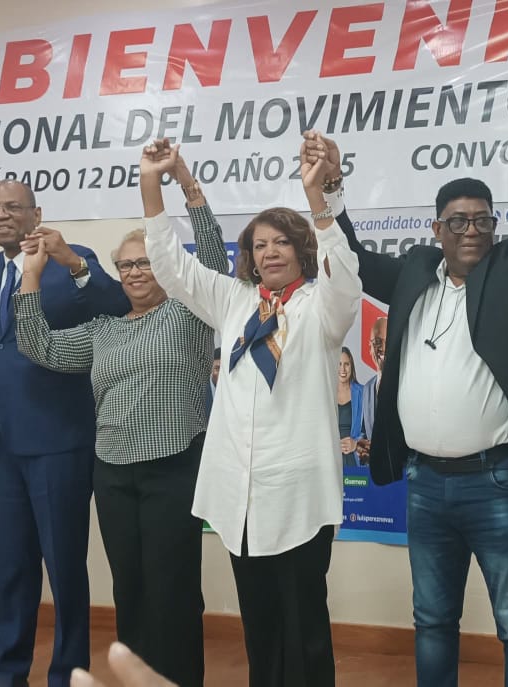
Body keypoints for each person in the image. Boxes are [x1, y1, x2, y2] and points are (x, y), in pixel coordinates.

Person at [326, 68, 508, 687]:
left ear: (495, 227)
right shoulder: (415, 271)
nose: (472, 231)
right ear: (436, 229)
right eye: (458, 222)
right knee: (432, 621)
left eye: (483, 221)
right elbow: (351, 260)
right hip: (425, 484)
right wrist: (332, 190)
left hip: (498, 481)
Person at [142, 135, 361, 686]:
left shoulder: (321, 306)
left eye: (282, 241)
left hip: (299, 494)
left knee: (304, 626)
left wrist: (317, 200)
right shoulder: (234, 300)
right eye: (260, 245)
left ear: (302, 249)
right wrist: (154, 183)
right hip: (240, 496)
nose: (270, 252)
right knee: (260, 625)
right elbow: (170, 266)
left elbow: (345, 274)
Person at [15, 148, 225, 686]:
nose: (134, 272)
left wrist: (184, 182)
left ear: (165, 265)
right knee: (130, 589)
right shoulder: (103, 328)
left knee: (173, 590)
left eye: (146, 262)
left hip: (173, 468)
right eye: (126, 265)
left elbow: (213, 259)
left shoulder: (190, 312)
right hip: (111, 473)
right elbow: (40, 346)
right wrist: (32, 274)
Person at [0, 179, 129, 687]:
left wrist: (72, 262)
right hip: (3, 443)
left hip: (60, 441)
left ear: (36, 215)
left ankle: (68, 674)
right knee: (11, 571)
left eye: (13, 207)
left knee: (64, 569)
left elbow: (116, 303)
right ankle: (9, 674)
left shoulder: (70, 259)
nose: (1, 216)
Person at [357, 316, 387, 460]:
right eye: (377, 342)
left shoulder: (406, 386)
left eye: (388, 341)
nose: (383, 347)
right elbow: (364, 431)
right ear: (369, 348)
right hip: (374, 469)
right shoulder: (367, 388)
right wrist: (361, 446)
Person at [337, 347, 365, 467]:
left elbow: (371, 431)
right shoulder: (325, 393)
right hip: (330, 460)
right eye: (339, 364)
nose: (343, 369)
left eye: (346, 364)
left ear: (351, 366)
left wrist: (356, 444)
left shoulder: (363, 393)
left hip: (354, 460)